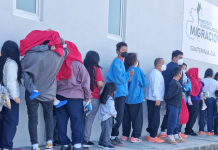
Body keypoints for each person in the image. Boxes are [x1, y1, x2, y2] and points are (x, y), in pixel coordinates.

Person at [20, 30, 69, 150]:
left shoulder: (30, 55)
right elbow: (66, 48)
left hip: (32, 92)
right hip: (49, 92)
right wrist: (55, 39)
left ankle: (35, 146)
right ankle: (49, 144)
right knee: (49, 117)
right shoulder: (58, 55)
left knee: (33, 118)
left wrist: (44, 45)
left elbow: (23, 69)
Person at [55, 41, 92, 150]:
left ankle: (64, 145)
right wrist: (88, 97)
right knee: (77, 121)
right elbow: (86, 82)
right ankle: (77, 145)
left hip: (59, 97)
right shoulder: (78, 64)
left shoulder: (58, 63)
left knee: (61, 121)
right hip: (75, 98)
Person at [107, 42, 134, 146]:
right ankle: (112, 137)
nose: (125, 52)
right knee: (118, 116)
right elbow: (119, 78)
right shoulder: (116, 61)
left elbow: (122, 78)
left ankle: (113, 136)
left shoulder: (121, 62)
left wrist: (128, 77)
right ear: (118, 51)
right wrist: (128, 74)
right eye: (123, 50)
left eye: (126, 50)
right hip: (117, 93)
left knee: (119, 115)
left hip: (121, 92)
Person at [122, 53, 148, 143]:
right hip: (136, 98)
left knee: (126, 118)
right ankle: (134, 136)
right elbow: (144, 83)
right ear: (134, 61)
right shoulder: (138, 70)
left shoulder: (125, 70)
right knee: (137, 118)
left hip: (126, 98)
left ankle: (125, 135)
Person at [0, 41, 22, 150]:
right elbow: (11, 81)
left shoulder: (2, 61)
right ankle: (6, 147)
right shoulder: (11, 63)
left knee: (3, 120)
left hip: (2, 95)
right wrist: (15, 97)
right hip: (10, 97)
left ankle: (3, 145)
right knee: (11, 121)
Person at [159, 50, 185, 138]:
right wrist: (183, 92)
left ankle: (163, 131)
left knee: (169, 113)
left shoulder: (165, 67)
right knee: (173, 115)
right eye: (180, 58)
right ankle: (173, 133)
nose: (181, 60)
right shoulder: (177, 68)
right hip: (174, 94)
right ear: (174, 58)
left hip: (166, 92)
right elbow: (180, 82)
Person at [82, 51, 104, 148]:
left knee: (80, 119)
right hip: (93, 98)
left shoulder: (82, 67)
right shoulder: (96, 69)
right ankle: (85, 140)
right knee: (89, 119)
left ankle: (78, 139)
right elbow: (99, 84)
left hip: (80, 98)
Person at [145, 58, 166, 143]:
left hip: (152, 99)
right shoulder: (156, 74)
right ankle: (153, 136)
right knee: (155, 118)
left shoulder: (156, 73)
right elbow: (155, 87)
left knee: (152, 117)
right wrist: (157, 98)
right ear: (158, 65)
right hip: (154, 99)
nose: (164, 65)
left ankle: (150, 135)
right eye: (163, 63)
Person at [165, 66, 186, 144]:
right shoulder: (174, 83)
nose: (182, 74)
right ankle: (170, 136)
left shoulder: (177, 82)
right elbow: (170, 95)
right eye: (181, 73)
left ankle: (176, 135)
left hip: (177, 105)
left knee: (177, 122)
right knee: (172, 121)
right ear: (179, 74)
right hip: (173, 105)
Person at [184, 68, 204, 136]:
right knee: (193, 116)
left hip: (188, 100)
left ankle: (186, 129)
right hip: (195, 101)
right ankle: (188, 130)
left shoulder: (188, 80)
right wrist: (201, 82)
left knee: (187, 115)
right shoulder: (196, 82)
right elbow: (200, 89)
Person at [98, 82, 117, 150]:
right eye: (114, 90)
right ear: (111, 91)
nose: (114, 92)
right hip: (108, 117)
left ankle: (101, 142)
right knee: (107, 131)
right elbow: (112, 111)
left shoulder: (103, 97)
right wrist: (115, 114)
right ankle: (106, 144)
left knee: (104, 130)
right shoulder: (110, 100)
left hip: (103, 117)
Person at [199, 68, 218, 136]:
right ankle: (210, 131)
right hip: (211, 99)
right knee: (210, 116)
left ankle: (201, 130)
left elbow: (200, 90)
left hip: (203, 99)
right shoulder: (215, 82)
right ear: (212, 74)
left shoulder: (202, 81)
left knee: (202, 115)